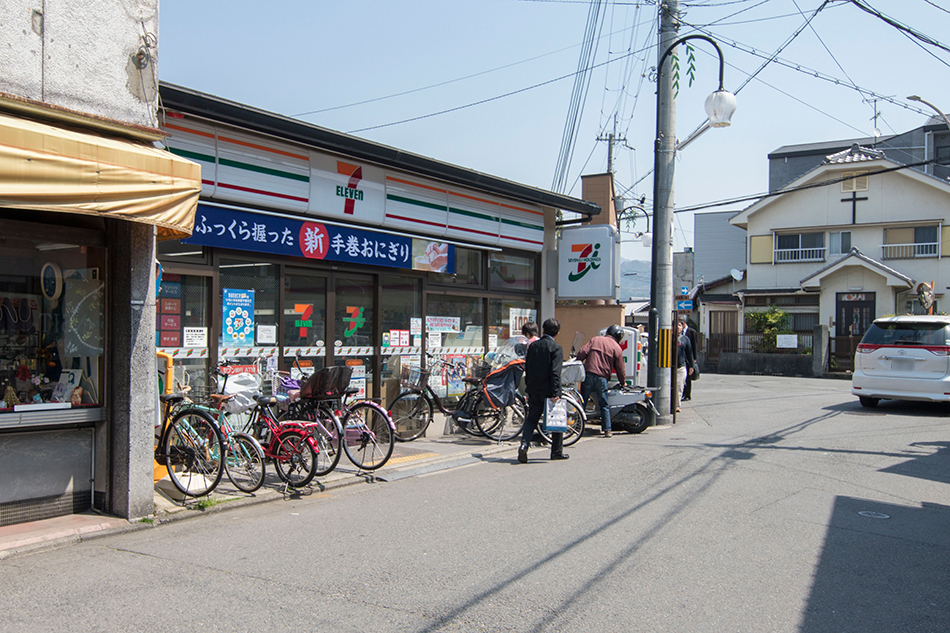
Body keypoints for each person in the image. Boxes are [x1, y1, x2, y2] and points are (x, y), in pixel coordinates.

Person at [518, 318, 567, 463]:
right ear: (557, 333)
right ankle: (556, 452)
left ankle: (524, 444)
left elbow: (529, 368)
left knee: (531, 419)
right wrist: (556, 392)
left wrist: (528, 387)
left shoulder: (533, 346)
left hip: (533, 389)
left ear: (543, 330)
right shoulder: (556, 348)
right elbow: (555, 373)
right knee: (557, 419)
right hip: (548, 391)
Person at [576, 324, 626, 438]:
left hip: (588, 375)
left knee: (582, 401)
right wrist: (623, 382)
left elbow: (582, 353)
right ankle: (607, 430)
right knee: (604, 404)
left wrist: (577, 362)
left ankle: (578, 426)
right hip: (602, 378)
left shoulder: (595, 339)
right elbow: (620, 368)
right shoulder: (617, 348)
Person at [675, 318, 694, 413]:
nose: (677, 327)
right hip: (668, 368)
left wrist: (691, 365)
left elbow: (689, 353)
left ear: (682, 327)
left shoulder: (685, 339)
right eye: (675, 325)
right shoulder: (668, 338)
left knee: (679, 386)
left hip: (681, 367)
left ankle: (677, 405)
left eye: (679, 325)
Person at [680, 318, 699, 402]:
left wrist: (694, 358)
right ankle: (682, 393)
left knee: (688, 377)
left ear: (683, 324)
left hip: (688, 357)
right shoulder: (678, 333)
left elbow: (694, 345)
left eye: (680, 325)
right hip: (681, 357)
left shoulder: (691, 332)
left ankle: (687, 394)